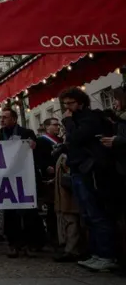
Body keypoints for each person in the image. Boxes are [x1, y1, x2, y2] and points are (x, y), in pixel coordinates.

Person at [60, 87, 119, 271]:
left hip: (91, 171)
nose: (67, 108)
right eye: (65, 104)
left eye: (71, 103)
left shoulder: (90, 118)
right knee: (87, 215)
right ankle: (96, 253)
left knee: (97, 214)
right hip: (78, 169)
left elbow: (77, 138)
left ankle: (107, 255)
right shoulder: (77, 119)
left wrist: (68, 122)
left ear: (81, 102)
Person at [0, 107, 42, 258]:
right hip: (7, 180)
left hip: (25, 179)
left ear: (14, 119)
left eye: (5, 117)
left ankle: (29, 243)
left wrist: (34, 146)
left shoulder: (26, 133)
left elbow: (36, 151)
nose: (2, 120)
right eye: (1, 117)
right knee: (10, 214)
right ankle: (13, 244)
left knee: (28, 213)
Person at [34, 118, 62, 250]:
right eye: (55, 125)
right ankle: (52, 236)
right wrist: (45, 167)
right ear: (47, 127)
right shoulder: (41, 141)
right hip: (48, 179)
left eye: (58, 125)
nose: (58, 127)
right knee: (51, 208)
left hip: (61, 176)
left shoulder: (60, 141)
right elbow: (39, 158)